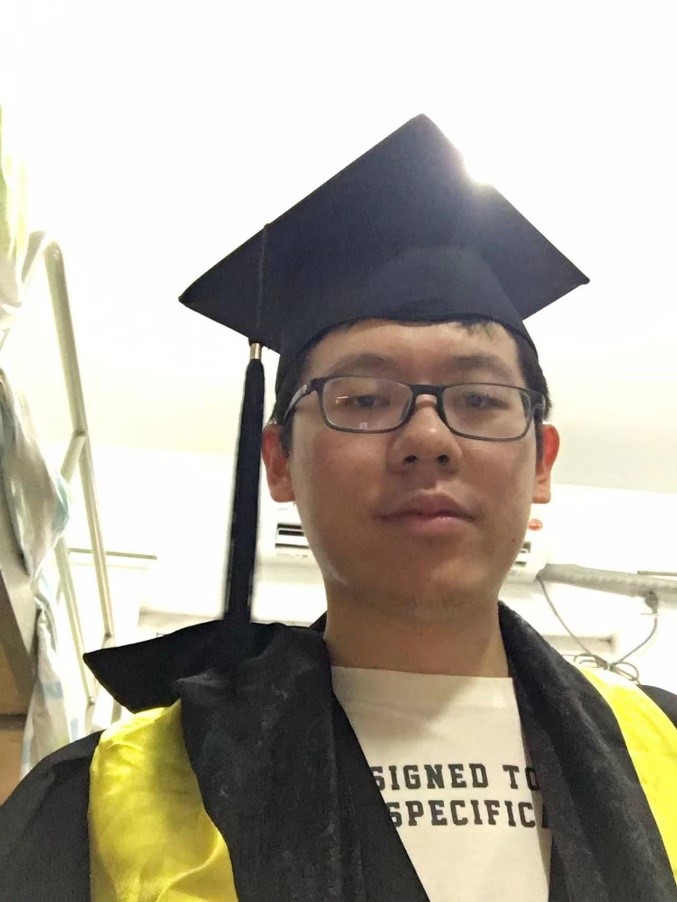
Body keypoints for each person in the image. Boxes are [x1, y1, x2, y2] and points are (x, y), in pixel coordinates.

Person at [1, 116, 676, 902]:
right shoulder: (109, 800)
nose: (427, 439)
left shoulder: (663, 753)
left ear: (542, 463)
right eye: (362, 398)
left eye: (479, 399)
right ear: (280, 462)